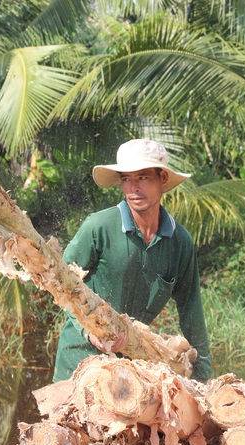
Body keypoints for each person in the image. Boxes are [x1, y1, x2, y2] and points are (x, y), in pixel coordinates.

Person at [52, 139, 212, 383]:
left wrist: (203, 375)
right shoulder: (99, 227)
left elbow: (191, 310)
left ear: (163, 179)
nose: (133, 188)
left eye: (143, 178)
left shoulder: (180, 241)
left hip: (132, 365)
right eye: (126, 179)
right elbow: (62, 282)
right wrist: (90, 332)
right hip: (79, 363)